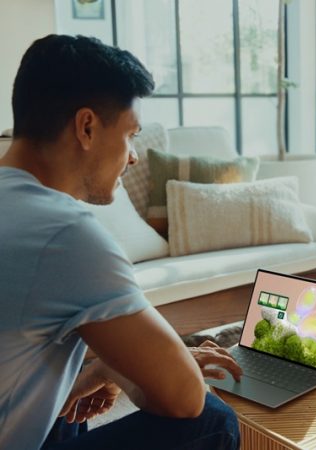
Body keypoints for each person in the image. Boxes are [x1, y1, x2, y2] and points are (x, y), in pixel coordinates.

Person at [0, 34, 243, 450]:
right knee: (212, 421)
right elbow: (184, 398)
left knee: (63, 388)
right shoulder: (64, 233)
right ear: (87, 127)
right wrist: (133, 369)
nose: (132, 156)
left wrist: (101, 370)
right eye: (131, 134)